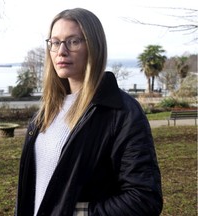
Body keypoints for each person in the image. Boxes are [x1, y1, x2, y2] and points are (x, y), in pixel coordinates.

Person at [15, 8, 163, 216]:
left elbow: (144, 198)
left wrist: (80, 212)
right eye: (55, 42)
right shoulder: (46, 112)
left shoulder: (121, 112)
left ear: (94, 46)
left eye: (73, 41)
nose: (61, 51)